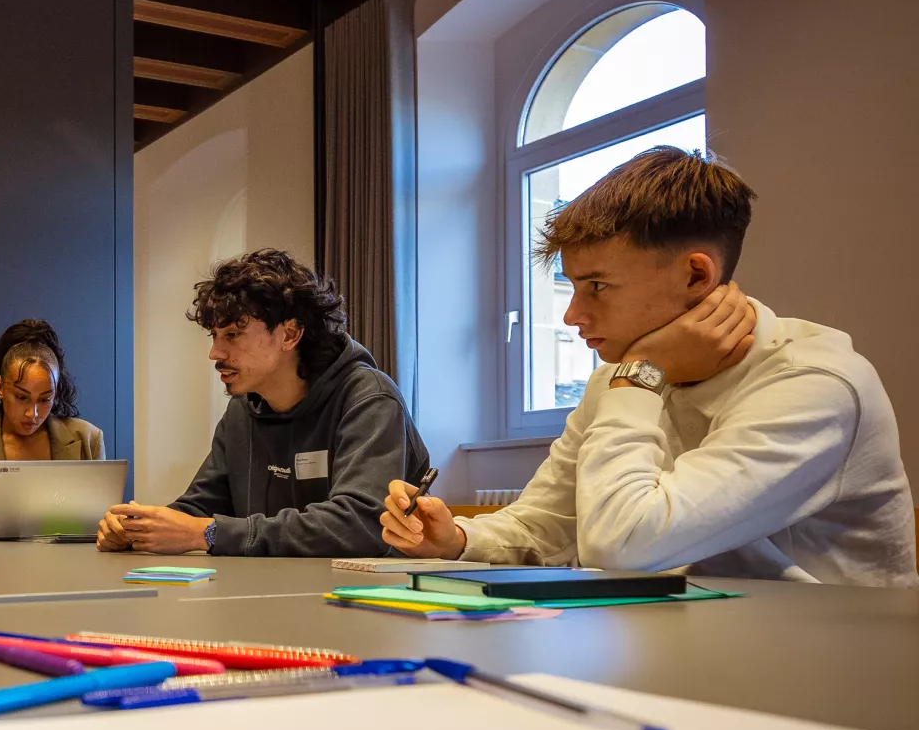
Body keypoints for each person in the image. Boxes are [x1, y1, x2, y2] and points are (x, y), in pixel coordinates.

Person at [382, 147, 916, 586]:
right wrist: (458, 539)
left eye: (598, 286)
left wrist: (642, 368)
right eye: (571, 286)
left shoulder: (812, 382)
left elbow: (624, 546)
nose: (573, 314)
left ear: (695, 276)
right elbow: (548, 521)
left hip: (829, 677)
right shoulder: (621, 378)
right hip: (698, 646)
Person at [98, 249, 427, 556]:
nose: (215, 353)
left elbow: (359, 524)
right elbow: (203, 506)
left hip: (364, 600)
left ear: (289, 335)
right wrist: (136, 529)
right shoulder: (244, 407)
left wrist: (209, 533)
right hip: (269, 596)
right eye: (214, 336)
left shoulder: (369, 400)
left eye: (232, 335)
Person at [0, 320, 104, 538]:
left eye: (45, 399)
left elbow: (102, 522)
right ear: (0, 387)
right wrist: (3, 527)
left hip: (70, 567)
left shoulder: (87, 439)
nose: (32, 413)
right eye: (21, 397)